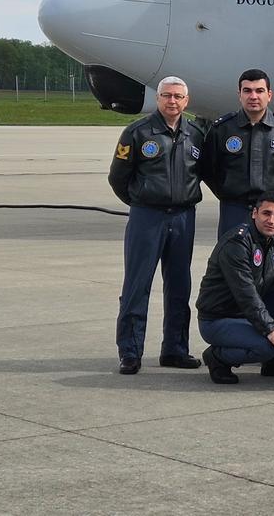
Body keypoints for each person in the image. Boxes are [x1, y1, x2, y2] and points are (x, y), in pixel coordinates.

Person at [107, 76, 208, 375]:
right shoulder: (137, 132)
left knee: (179, 286)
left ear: (186, 101)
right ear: (158, 99)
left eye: (178, 96)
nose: (172, 101)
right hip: (147, 217)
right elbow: (118, 178)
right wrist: (142, 201)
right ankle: (130, 351)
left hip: (183, 216)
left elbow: (202, 172)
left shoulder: (196, 134)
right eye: (166, 96)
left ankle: (175, 349)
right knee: (137, 285)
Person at [196, 191, 274, 384]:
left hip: (245, 314)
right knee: (266, 347)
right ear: (254, 214)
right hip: (219, 318)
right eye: (266, 213)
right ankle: (217, 357)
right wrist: (271, 330)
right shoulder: (238, 243)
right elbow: (246, 294)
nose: (271, 220)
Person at [202, 68, 274, 239]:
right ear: (240, 94)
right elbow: (208, 169)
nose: (253, 96)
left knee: (271, 262)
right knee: (231, 260)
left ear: (269, 94)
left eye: (259, 91)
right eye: (247, 91)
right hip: (234, 209)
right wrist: (226, 191)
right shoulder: (222, 128)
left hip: (270, 210)